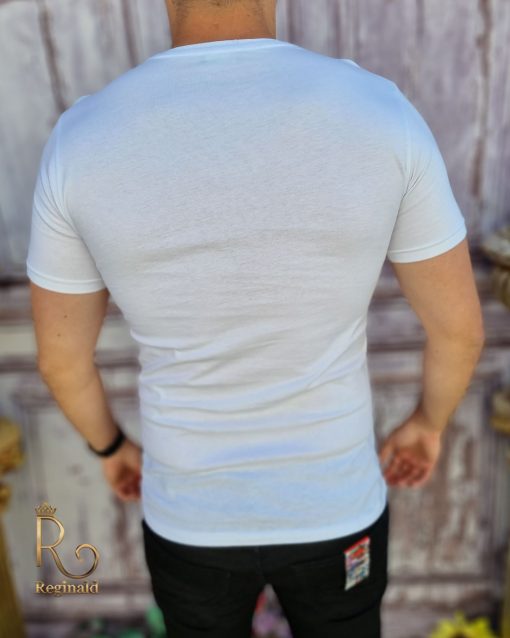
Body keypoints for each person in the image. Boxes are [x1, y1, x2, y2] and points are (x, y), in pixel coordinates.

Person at [25, 0, 485, 636]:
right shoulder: (378, 112)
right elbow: (459, 331)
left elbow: (60, 360)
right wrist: (427, 425)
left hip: (189, 513)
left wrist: (111, 446)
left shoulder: (82, 137)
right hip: (335, 503)